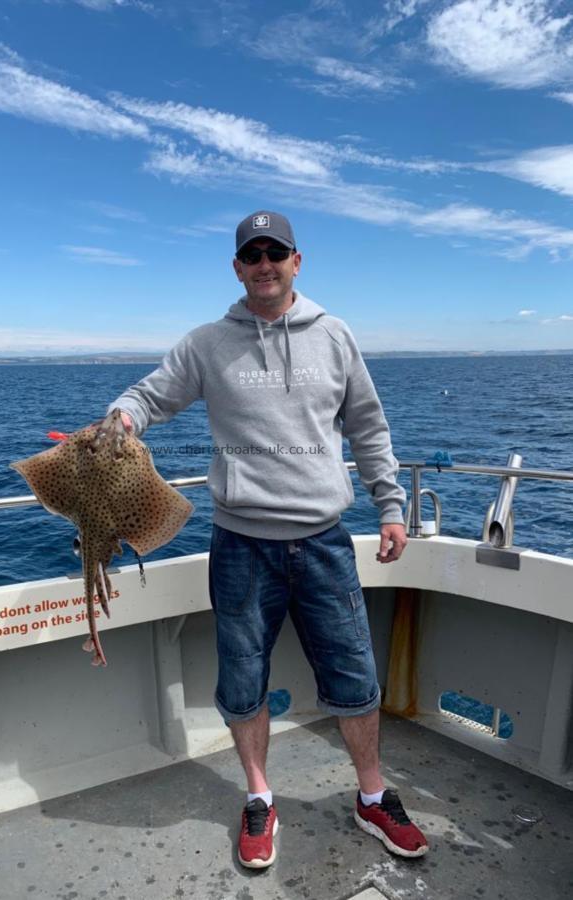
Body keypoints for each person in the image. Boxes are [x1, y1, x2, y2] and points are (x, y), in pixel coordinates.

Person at [108, 210, 428, 867]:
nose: (264, 263)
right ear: (236, 267)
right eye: (251, 254)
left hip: (323, 541)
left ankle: (372, 796)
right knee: (243, 680)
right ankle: (259, 797)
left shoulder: (334, 336)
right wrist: (122, 416)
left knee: (355, 677)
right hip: (240, 545)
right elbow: (151, 395)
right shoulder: (206, 343)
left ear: (296, 261)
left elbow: (368, 426)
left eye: (274, 252)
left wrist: (390, 507)